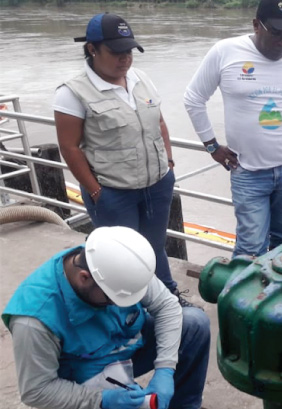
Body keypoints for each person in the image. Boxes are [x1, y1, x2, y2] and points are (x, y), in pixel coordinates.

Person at [2, 227, 220, 409]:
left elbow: (167, 307)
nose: (122, 304)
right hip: (83, 378)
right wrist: (102, 401)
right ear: (84, 278)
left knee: (194, 324)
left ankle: (181, 407)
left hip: (123, 349)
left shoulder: (118, 263)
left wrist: (165, 369)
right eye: (114, 298)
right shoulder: (34, 320)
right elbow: (37, 390)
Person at [53, 13, 189, 305]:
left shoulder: (141, 79)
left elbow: (159, 122)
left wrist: (168, 163)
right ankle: (129, 311)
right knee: (122, 257)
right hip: (113, 193)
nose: (125, 58)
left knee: (154, 247)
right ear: (92, 48)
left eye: (129, 50)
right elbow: (70, 147)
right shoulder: (72, 92)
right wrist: (96, 191)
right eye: (116, 52)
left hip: (157, 185)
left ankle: (168, 297)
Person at [184, 0, 282, 258]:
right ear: (256, 25)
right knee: (251, 247)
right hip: (247, 172)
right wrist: (212, 146)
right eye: (276, 33)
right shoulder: (225, 52)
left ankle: (279, 285)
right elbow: (194, 98)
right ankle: (247, 285)